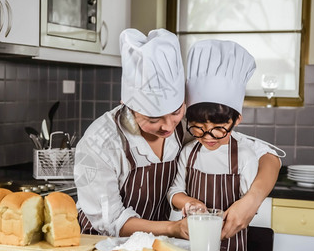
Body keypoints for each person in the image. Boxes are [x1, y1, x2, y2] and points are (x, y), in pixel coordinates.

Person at [74, 28, 281, 239]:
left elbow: (268, 156)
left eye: (176, 111)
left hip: (156, 248)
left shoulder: (188, 125)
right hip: (101, 248)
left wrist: (251, 200)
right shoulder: (100, 143)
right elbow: (112, 222)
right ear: (127, 105)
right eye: (153, 119)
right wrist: (173, 228)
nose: (168, 127)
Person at [168, 39, 283, 251]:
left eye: (219, 129)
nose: (208, 137)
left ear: (236, 120)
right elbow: (175, 190)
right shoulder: (189, 151)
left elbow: (269, 162)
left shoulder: (245, 155)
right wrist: (189, 202)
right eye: (198, 128)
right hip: (191, 246)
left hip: (232, 248)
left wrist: (246, 206)